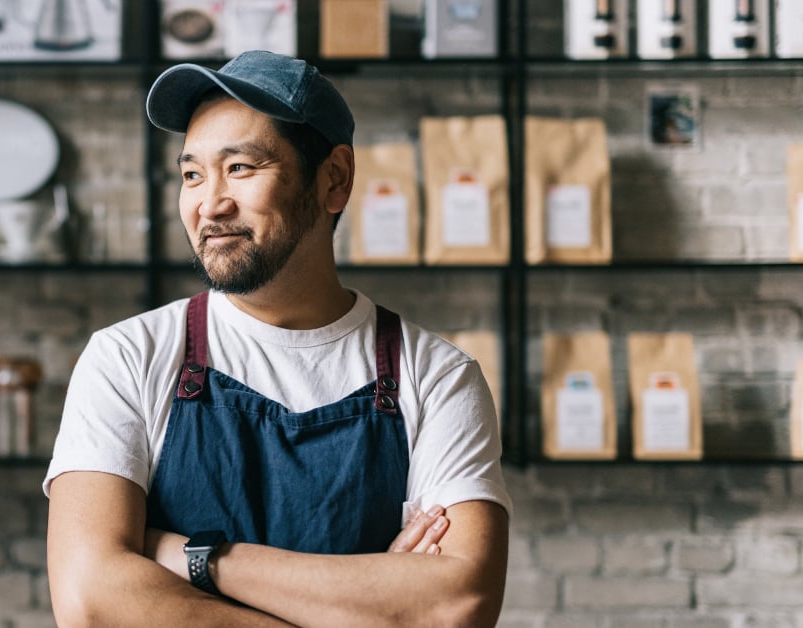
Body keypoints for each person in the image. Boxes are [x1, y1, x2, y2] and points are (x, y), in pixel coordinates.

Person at [44, 50, 511, 627]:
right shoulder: (128, 357)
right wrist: (369, 609)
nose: (209, 204)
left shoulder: (437, 376)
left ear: (334, 179)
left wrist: (199, 559)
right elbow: (90, 599)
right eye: (192, 174)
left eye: (240, 168)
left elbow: (456, 605)